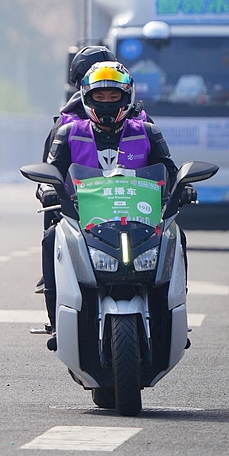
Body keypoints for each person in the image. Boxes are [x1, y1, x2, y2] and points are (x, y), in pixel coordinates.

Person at [37, 62, 184, 341]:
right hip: (84, 222)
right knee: (51, 237)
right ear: (85, 97)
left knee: (176, 236)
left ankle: (171, 318)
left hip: (140, 221)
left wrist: (182, 189)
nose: (106, 103)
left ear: (127, 96)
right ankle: (56, 323)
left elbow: (171, 171)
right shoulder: (68, 133)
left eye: (113, 96)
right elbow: (51, 172)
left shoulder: (147, 132)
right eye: (99, 96)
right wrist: (47, 189)